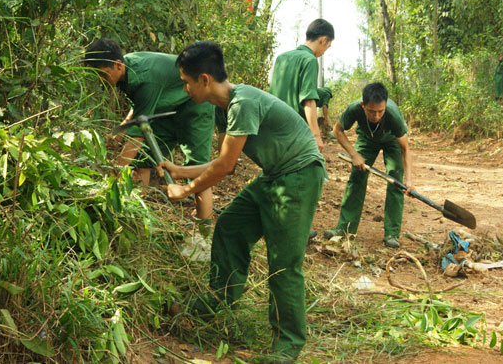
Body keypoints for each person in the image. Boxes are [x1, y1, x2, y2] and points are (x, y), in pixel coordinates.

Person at [158, 40, 326, 361]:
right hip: (274, 175)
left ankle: (287, 347)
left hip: (300, 174)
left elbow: (225, 167)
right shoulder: (224, 109)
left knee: (283, 262)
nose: (185, 89)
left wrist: (187, 189)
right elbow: (221, 160)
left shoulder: (243, 102)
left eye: (186, 82)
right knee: (231, 227)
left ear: (204, 80)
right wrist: (179, 170)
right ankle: (220, 300)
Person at [84, 38, 215, 229]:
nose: (100, 81)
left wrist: (113, 175)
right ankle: (137, 212)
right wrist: (119, 130)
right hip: (167, 109)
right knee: (141, 160)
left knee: (198, 167)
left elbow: (137, 136)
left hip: (197, 106)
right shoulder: (125, 71)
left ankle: (203, 229)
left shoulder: (145, 77)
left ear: (117, 65)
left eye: (103, 75)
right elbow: (139, 109)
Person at [323, 82, 413, 249]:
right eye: (371, 112)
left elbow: (405, 149)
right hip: (366, 139)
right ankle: (344, 229)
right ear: (363, 105)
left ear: (385, 106)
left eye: (380, 111)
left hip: (392, 141)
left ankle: (392, 233)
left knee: (395, 180)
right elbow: (337, 131)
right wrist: (354, 154)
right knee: (357, 177)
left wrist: (408, 180)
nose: (376, 116)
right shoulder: (354, 108)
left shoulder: (393, 115)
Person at [269, 18, 334, 154]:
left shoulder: (282, 57)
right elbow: (308, 100)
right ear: (323, 40)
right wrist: (316, 136)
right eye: (327, 47)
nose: (324, 52)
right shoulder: (309, 60)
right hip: (295, 131)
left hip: (273, 128)